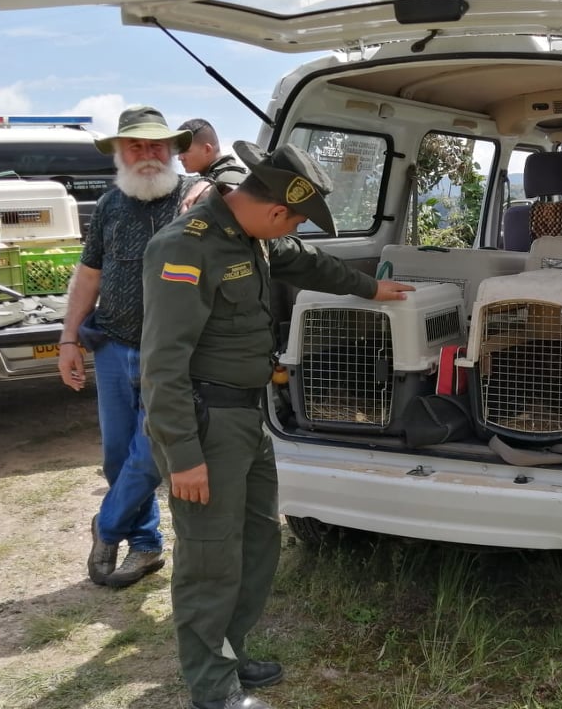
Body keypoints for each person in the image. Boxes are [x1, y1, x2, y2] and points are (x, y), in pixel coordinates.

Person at [140, 140, 414, 709]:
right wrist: (183, 454)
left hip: (247, 416)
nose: (289, 233)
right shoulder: (186, 248)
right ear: (273, 210)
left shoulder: (251, 238)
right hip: (205, 422)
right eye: (290, 221)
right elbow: (162, 364)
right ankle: (211, 685)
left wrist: (372, 288)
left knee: (258, 539)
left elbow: (307, 262)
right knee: (210, 555)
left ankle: (231, 654)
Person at [57, 105, 198, 589]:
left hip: (174, 354)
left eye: (157, 145)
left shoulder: (196, 199)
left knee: (152, 450)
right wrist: (68, 338)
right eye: (136, 145)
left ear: (174, 150)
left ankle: (108, 526)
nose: (148, 155)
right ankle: (144, 547)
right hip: (113, 348)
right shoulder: (109, 206)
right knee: (118, 456)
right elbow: (90, 275)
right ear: (119, 152)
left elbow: (237, 183)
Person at [177, 118, 249, 188]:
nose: (180, 158)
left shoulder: (226, 182)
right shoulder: (211, 179)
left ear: (207, 149)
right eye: (179, 152)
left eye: (185, 151)